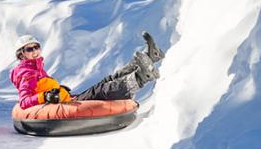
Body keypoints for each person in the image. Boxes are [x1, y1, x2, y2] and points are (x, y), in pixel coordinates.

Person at [10, 32, 164, 110]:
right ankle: (142, 77)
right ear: (22, 53)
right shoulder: (27, 73)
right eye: (29, 49)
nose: (35, 51)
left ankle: (145, 59)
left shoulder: (37, 68)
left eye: (36, 47)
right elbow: (24, 102)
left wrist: (59, 89)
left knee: (105, 81)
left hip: (70, 98)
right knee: (104, 90)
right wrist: (45, 96)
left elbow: (43, 86)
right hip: (68, 104)